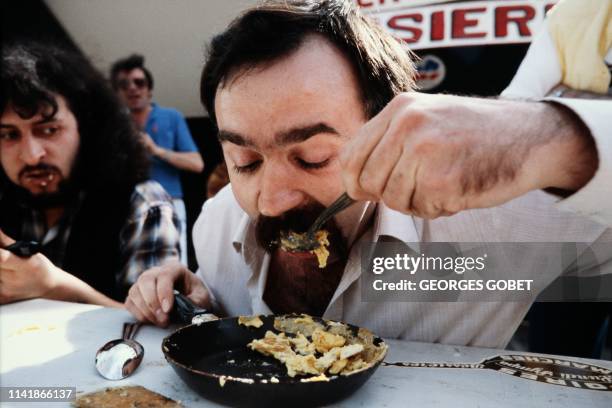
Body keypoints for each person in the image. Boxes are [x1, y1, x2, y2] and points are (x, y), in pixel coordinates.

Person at [126, 0, 612, 348]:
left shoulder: (492, 226)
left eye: (313, 157)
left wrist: (553, 138)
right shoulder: (216, 223)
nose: (269, 201)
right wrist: (200, 303)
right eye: (245, 162)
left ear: (388, 131)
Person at [0, 43, 181, 307]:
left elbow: (158, 331)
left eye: (49, 130)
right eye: (8, 135)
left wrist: (55, 287)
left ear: (87, 129)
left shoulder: (142, 203)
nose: (31, 155)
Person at [110, 55, 204, 264]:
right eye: (124, 85)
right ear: (117, 93)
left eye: (139, 82)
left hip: (169, 202)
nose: (133, 88)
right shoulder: (114, 125)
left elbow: (197, 163)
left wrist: (156, 150)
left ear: (149, 89)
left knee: (174, 266)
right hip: (127, 206)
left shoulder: (171, 117)